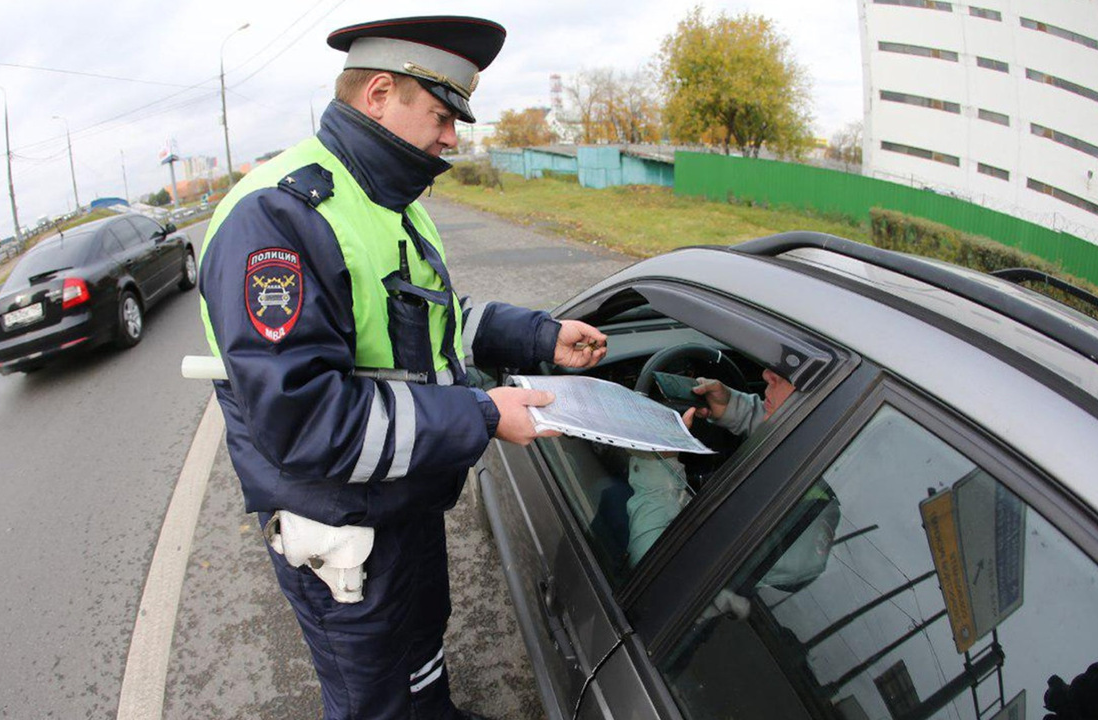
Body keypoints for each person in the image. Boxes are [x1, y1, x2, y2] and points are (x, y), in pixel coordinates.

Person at [196, 15, 608, 720]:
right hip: (343, 525)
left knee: (420, 642)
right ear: (380, 93)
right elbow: (305, 420)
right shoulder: (279, 216)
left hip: (402, 498)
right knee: (374, 693)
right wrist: (482, 415)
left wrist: (541, 338)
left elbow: (429, 326)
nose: (453, 139)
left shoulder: (389, 203)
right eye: (444, 115)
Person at [625, 369, 795, 565]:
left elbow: (653, 571)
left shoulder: (802, 530)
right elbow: (794, 417)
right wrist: (733, 407)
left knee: (608, 493)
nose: (767, 374)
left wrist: (655, 460)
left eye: (791, 373)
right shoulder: (816, 433)